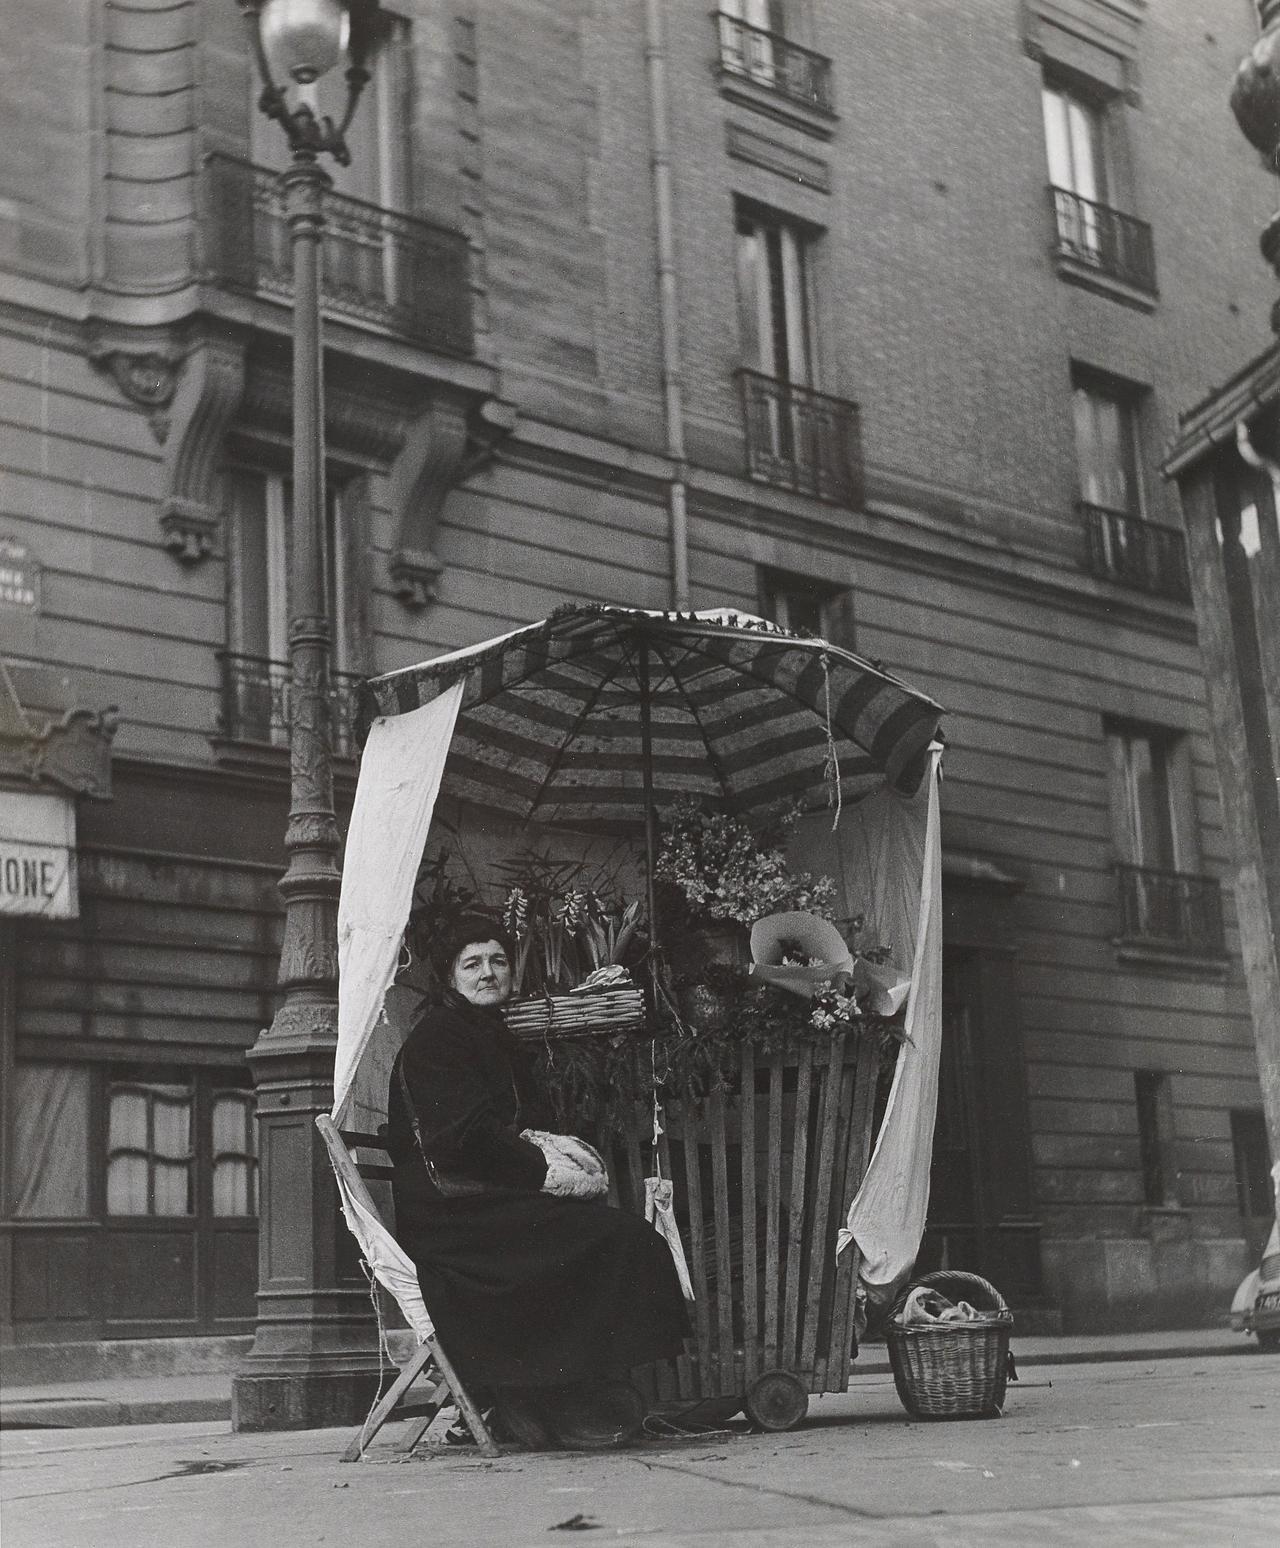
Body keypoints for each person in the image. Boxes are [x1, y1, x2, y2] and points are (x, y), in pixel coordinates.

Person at [387, 912, 690, 1448]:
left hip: (480, 1202)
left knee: (606, 1233)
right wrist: (544, 1171)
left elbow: (516, 1124)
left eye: (498, 961)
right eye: (473, 963)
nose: (488, 974)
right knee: (613, 1239)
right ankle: (545, 1391)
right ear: (450, 976)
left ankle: (555, 1390)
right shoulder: (439, 1039)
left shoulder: (487, 1034)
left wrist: (555, 1154)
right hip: (452, 1218)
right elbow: (461, 1139)